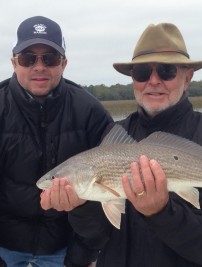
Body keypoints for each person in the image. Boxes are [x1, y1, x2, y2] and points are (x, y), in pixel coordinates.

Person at [41, 23, 202, 267]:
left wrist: (161, 212)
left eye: (167, 71)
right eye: (141, 73)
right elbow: (96, 237)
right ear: (133, 79)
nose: (154, 81)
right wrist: (80, 207)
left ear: (188, 77)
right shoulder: (114, 133)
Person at [0, 16, 113, 267]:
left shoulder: (90, 111)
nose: (39, 66)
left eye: (49, 58)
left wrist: (82, 256)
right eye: (28, 58)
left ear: (63, 63)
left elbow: (110, 193)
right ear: (14, 63)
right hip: (4, 248)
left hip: (65, 250)